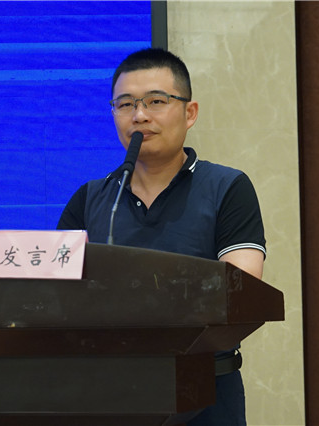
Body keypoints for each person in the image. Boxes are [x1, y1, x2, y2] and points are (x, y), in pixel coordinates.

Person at [57, 48, 266, 426]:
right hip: (108, 393)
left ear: (190, 112)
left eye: (156, 101)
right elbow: (53, 294)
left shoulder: (227, 188)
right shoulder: (90, 199)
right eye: (125, 104)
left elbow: (241, 290)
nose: (139, 116)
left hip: (206, 393)